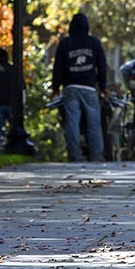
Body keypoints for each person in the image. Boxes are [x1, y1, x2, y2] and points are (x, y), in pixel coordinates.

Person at [50, 12, 108, 162]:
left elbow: (58, 67)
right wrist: (103, 85)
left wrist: (55, 87)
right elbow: (102, 65)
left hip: (70, 87)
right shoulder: (93, 42)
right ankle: (96, 155)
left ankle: (74, 155)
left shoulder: (65, 43)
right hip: (89, 87)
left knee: (72, 122)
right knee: (94, 123)